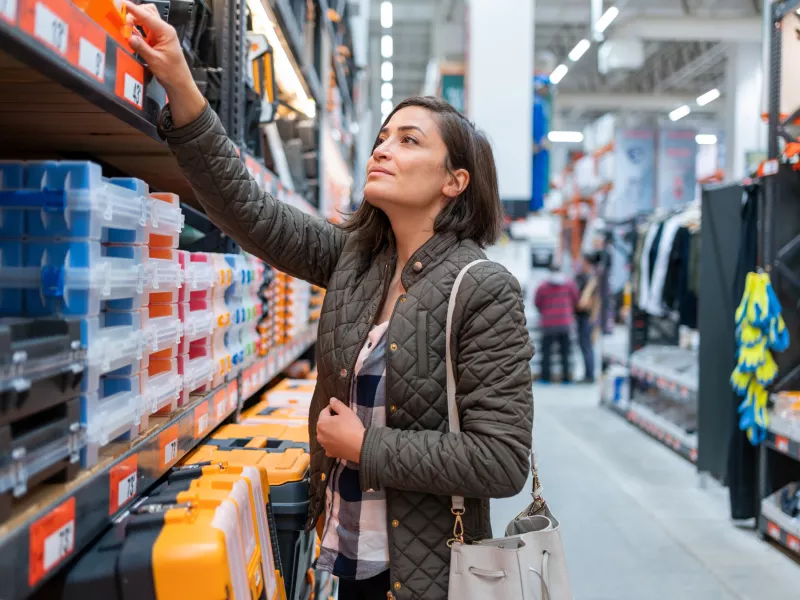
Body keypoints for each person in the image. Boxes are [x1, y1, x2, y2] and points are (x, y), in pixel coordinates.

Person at [123, 4, 534, 599]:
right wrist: (181, 84)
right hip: (345, 557)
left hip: (427, 579)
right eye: (381, 138)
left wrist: (369, 448)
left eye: (408, 140)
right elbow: (252, 212)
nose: (382, 150)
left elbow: (501, 460)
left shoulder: (483, 289)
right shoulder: (359, 262)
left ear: (455, 181)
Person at [534, 263, 579, 384]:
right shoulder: (569, 284)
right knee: (564, 353)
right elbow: (576, 299)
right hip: (564, 323)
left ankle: (545, 378)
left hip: (548, 324)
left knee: (546, 353)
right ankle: (566, 379)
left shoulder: (543, 286)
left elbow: (537, 302)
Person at [574, 257, 598, 384]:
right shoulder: (583, 278)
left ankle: (590, 375)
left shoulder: (591, 280)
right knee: (585, 347)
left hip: (587, 319)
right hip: (583, 318)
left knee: (587, 347)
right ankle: (588, 374)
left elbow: (586, 303)